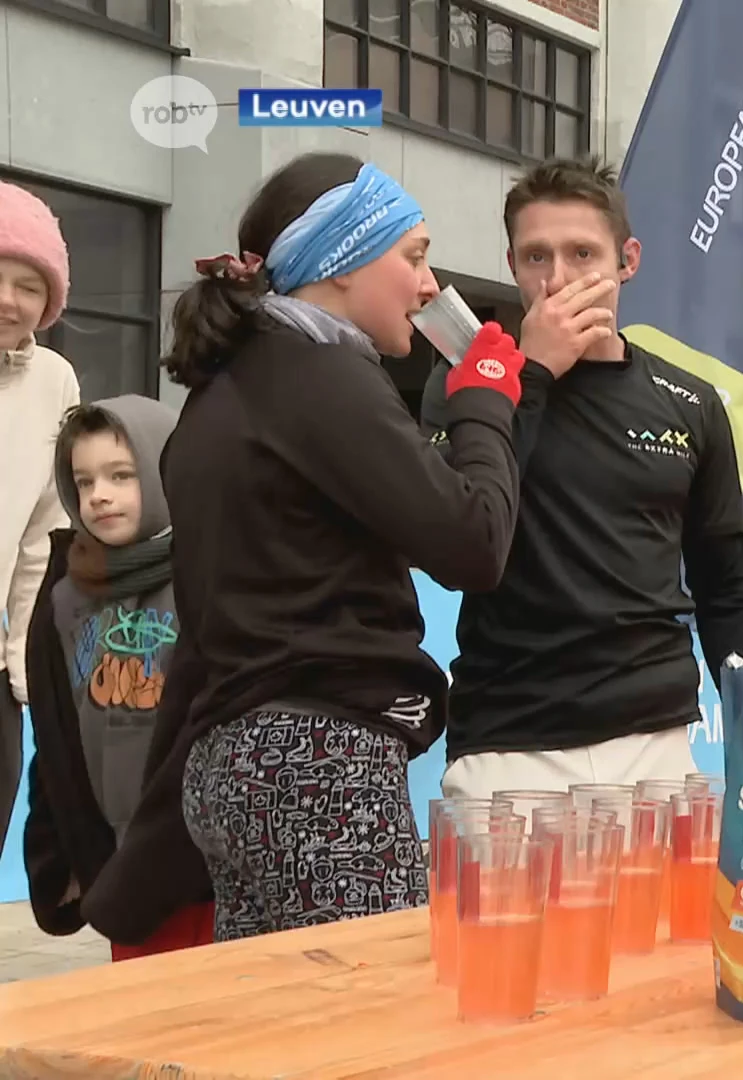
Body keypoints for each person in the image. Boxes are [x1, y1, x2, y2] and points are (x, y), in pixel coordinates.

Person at [82, 153, 542, 945]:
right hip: (319, 767)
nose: (431, 286)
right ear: (340, 262)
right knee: (369, 1033)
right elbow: (473, 546)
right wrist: (487, 403)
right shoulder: (323, 375)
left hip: (235, 768)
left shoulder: (222, 395)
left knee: (276, 1038)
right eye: (415, 255)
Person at [420, 156, 743, 799]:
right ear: (513, 265)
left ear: (626, 260)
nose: (558, 280)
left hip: (655, 743)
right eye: (536, 258)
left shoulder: (689, 403)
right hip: (509, 744)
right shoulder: (467, 381)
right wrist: (534, 372)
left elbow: (725, 586)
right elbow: (457, 538)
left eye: (583, 254)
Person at [23, 396, 218, 959]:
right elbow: (56, 738)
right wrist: (63, 856)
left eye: (121, 475)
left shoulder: (207, 577)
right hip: (119, 868)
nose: (99, 495)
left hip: (203, 869)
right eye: (83, 482)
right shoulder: (66, 597)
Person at [0, 182, 80, 857]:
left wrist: (25, 672)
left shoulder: (54, 380)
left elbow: (41, 541)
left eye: (29, 285)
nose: (9, 300)